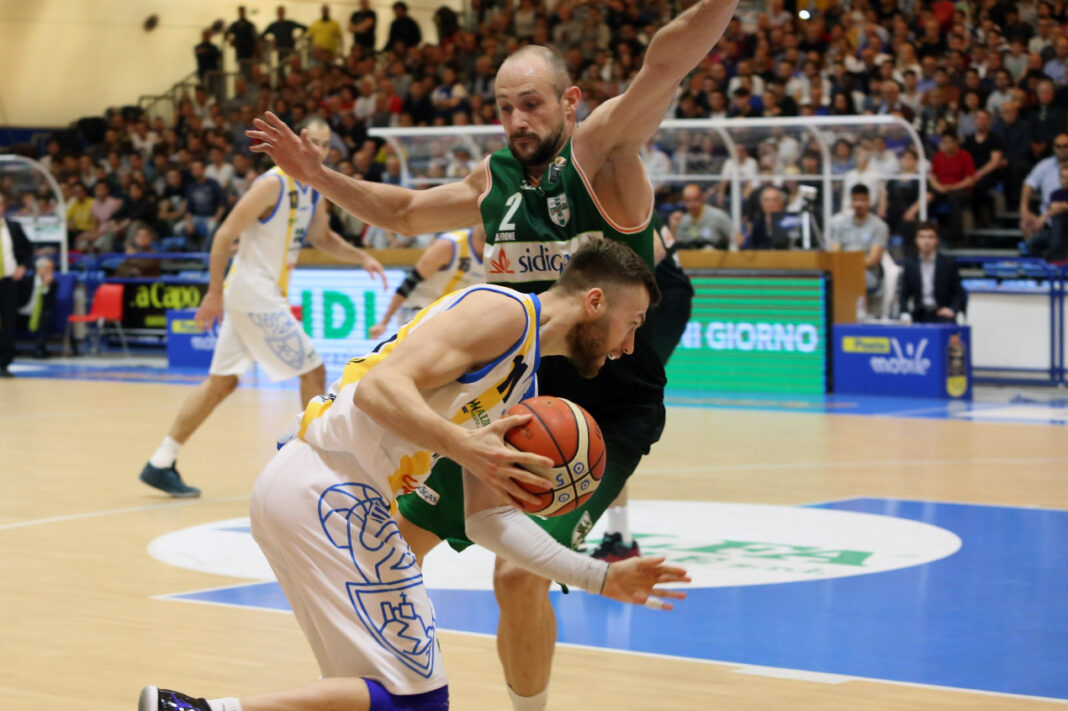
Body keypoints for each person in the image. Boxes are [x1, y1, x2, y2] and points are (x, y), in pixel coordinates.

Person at [247, 2, 737, 706]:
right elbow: (406, 212)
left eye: (531, 104)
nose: (517, 120)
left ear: (569, 101)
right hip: (505, 402)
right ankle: (364, 690)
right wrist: (317, 175)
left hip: (600, 403)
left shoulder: (600, 149)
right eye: (505, 107)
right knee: (384, 549)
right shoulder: (495, 179)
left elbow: (665, 62)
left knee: (516, 573)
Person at [139, 240, 689, 711]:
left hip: (318, 491)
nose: (630, 345)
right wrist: (463, 446)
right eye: (632, 323)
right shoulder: (505, 314)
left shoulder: (523, 383)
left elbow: (487, 520)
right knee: (416, 700)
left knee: (379, 697)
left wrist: (598, 577)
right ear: (595, 302)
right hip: (332, 489)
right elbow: (380, 389)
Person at [138, 120, 386, 498]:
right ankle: (315, 468)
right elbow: (224, 235)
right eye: (312, 142)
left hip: (260, 294)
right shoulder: (272, 183)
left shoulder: (314, 189)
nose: (318, 150)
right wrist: (213, 293)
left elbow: (323, 238)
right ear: (299, 144)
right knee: (313, 370)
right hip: (251, 293)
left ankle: (160, 461)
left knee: (221, 382)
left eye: (324, 144)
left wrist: (361, 257)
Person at [368, 226, 485, 340]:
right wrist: (384, 322)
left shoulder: (499, 253)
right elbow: (408, 283)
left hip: (450, 316)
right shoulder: (449, 245)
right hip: (418, 309)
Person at [828, 184, 889, 296]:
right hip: (842, 270)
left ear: (869, 201)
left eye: (862, 200)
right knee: (827, 280)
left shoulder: (879, 226)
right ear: (851, 202)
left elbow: (873, 259)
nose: (859, 204)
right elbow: (835, 254)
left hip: (867, 272)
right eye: (855, 200)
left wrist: (849, 267)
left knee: (848, 280)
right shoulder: (839, 224)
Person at [899, 222, 966, 323]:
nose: (926, 241)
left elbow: (959, 294)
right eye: (922, 237)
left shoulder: (948, 263)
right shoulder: (910, 264)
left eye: (930, 237)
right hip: (919, 314)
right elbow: (904, 295)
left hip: (942, 314)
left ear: (936, 240)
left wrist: (952, 309)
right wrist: (904, 313)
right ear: (916, 240)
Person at [0, 194, 33, 377]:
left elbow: (27, 249)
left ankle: (4, 363)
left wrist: (22, 265)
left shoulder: (13, 227)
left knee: (9, 321)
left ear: (4, 206)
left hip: (8, 281)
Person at [671, 182, 737, 249]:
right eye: (688, 201)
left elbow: (736, 238)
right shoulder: (683, 220)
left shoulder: (718, 215)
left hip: (714, 255)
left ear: (702, 198)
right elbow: (676, 245)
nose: (692, 204)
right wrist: (673, 227)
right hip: (689, 256)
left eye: (695, 200)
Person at [18, 256, 57, 359]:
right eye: (47, 268)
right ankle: (6, 349)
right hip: (22, 313)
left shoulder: (53, 284)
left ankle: (39, 349)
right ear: (38, 269)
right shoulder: (26, 280)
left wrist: (45, 286)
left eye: (51, 268)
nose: (50, 271)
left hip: (38, 315)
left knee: (46, 315)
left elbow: (49, 304)